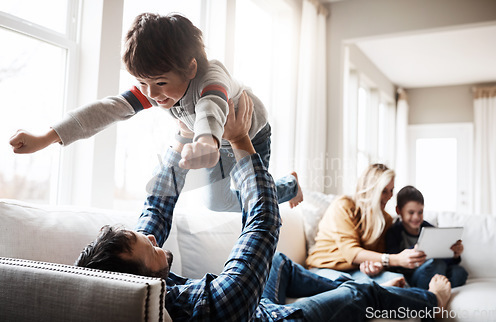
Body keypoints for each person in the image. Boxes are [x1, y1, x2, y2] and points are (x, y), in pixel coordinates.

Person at [76, 99, 451, 321]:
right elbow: (262, 224)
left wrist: (181, 141)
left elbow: (155, 208)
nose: (153, 237)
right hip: (271, 319)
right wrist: (240, 141)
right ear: (144, 278)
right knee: (358, 297)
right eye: (148, 247)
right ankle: (432, 303)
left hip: (258, 303)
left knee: (280, 265)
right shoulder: (211, 304)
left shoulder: (139, 281)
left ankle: (372, 284)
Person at [8, 12, 302, 211]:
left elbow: (211, 107)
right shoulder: (158, 88)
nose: (151, 94)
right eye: (142, 83)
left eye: (159, 83)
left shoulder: (211, 77)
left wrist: (206, 141)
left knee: (253, 202)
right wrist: (46, 137)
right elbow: (109, 108)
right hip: (208, 141)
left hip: (248, 132)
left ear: (191, 67)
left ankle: (289, 185)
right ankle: (286, 184)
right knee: (219, 205)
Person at [306, 164, 427, 285]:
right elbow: (352, 252)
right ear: (370, 190)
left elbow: (379, 255)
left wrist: (375, 266)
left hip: (357, 271)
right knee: (349, 286)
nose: (389, 196)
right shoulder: (344, 206)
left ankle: (372, 289)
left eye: (391, 190)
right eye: (384, 191)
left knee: (400, 281)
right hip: (326, 268)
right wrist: (396, 259)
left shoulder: (386, 219)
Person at [385, 185, 468, 289]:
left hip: (434, 269)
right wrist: (416, 251)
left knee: (459, 272)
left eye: (420, 212)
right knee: (436, 265)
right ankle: (429, 287)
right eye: (411, 212)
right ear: (399, 211)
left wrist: (454, 254)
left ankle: (433, 285)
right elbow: (394, 264)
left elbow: (444, 259)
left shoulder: (429, 229)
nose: (416, 217)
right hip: (412, 275)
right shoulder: (394, 232)